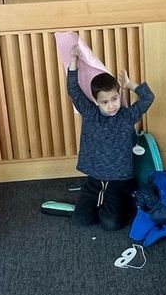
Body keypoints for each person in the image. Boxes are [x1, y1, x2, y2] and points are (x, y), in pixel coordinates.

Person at [65, 46, 155, 230]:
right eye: (105, 102)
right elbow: (74, 90)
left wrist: (131, 85)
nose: (111, 106)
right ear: (96, 101)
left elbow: (148, 97)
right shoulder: (90, 113)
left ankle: (123, 202)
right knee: (81, 220)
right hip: (95, 177)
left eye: (114, 99)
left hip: (120, 179)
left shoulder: (127, 116)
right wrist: (73, 63)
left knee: (110, 224)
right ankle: (98, 203)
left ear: (119, 95)